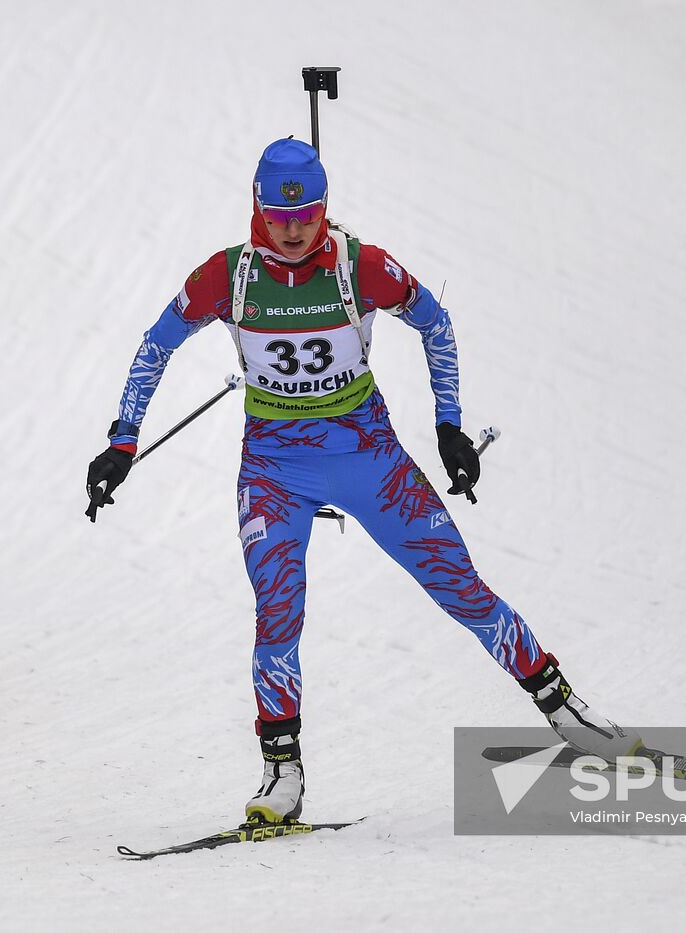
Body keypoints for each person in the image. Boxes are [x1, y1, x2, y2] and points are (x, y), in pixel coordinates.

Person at [86, 138, 639, 824]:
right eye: (280, 215)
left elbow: (435, 323)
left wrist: (448, 426)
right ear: (256, 206)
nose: (294, 229)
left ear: (325, 207)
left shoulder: (360, 267)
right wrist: (121, 442)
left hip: (369, 460)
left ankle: (562, 706)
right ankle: (280, 772)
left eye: (308, 213)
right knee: (278, 610)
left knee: (462, 589)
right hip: (274, 471)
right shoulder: (226, 278)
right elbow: (155, 345)